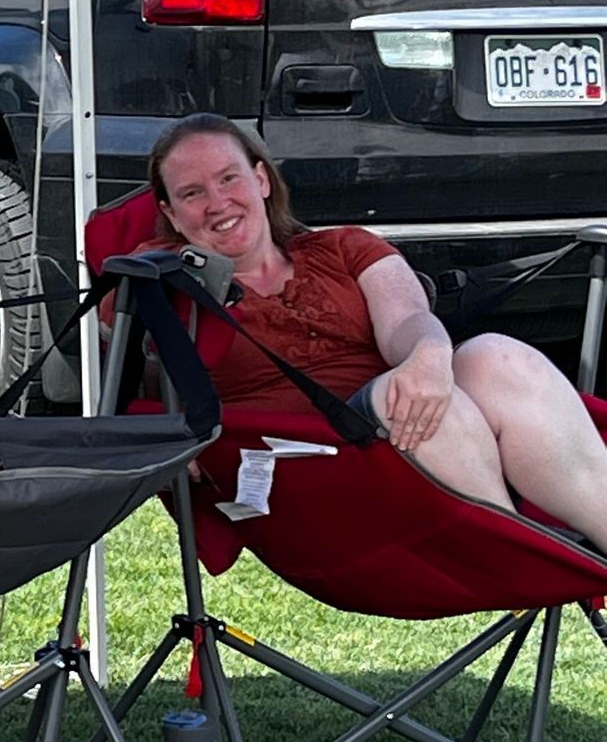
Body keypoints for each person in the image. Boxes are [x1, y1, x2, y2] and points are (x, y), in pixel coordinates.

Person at [147, 111, 607, 550]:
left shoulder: (345, 248)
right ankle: (518, 547)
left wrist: (428, 357)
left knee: (495, 356)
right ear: (171, 214)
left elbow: (405, 320)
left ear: (262, 180)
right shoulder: (163, 282)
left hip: (422, 449)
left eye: (229, 178)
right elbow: (135, 370)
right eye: (191, 193)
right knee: (403, 396)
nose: (216, 203)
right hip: (309, 479)